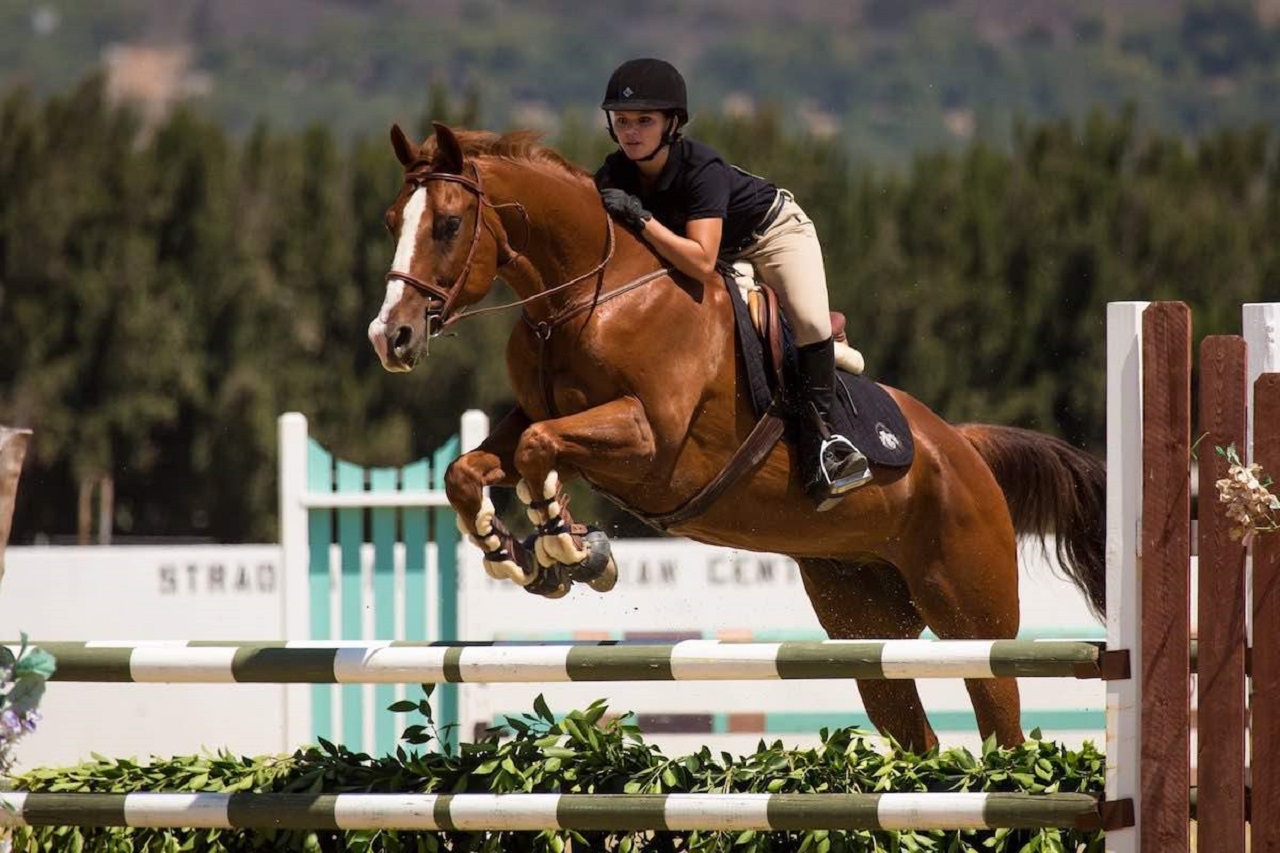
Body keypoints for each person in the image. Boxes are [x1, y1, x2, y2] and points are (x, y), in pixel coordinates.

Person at [594, 57, 872, 511]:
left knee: (807, 323)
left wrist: (641, 219)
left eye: (644, 120)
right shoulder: (613, 174)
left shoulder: (701, 168)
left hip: (771, 234)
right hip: (714, 251)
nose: (631, 131)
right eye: (622, 120)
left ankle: (827, 443)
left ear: (672, 123)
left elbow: (701, 262)